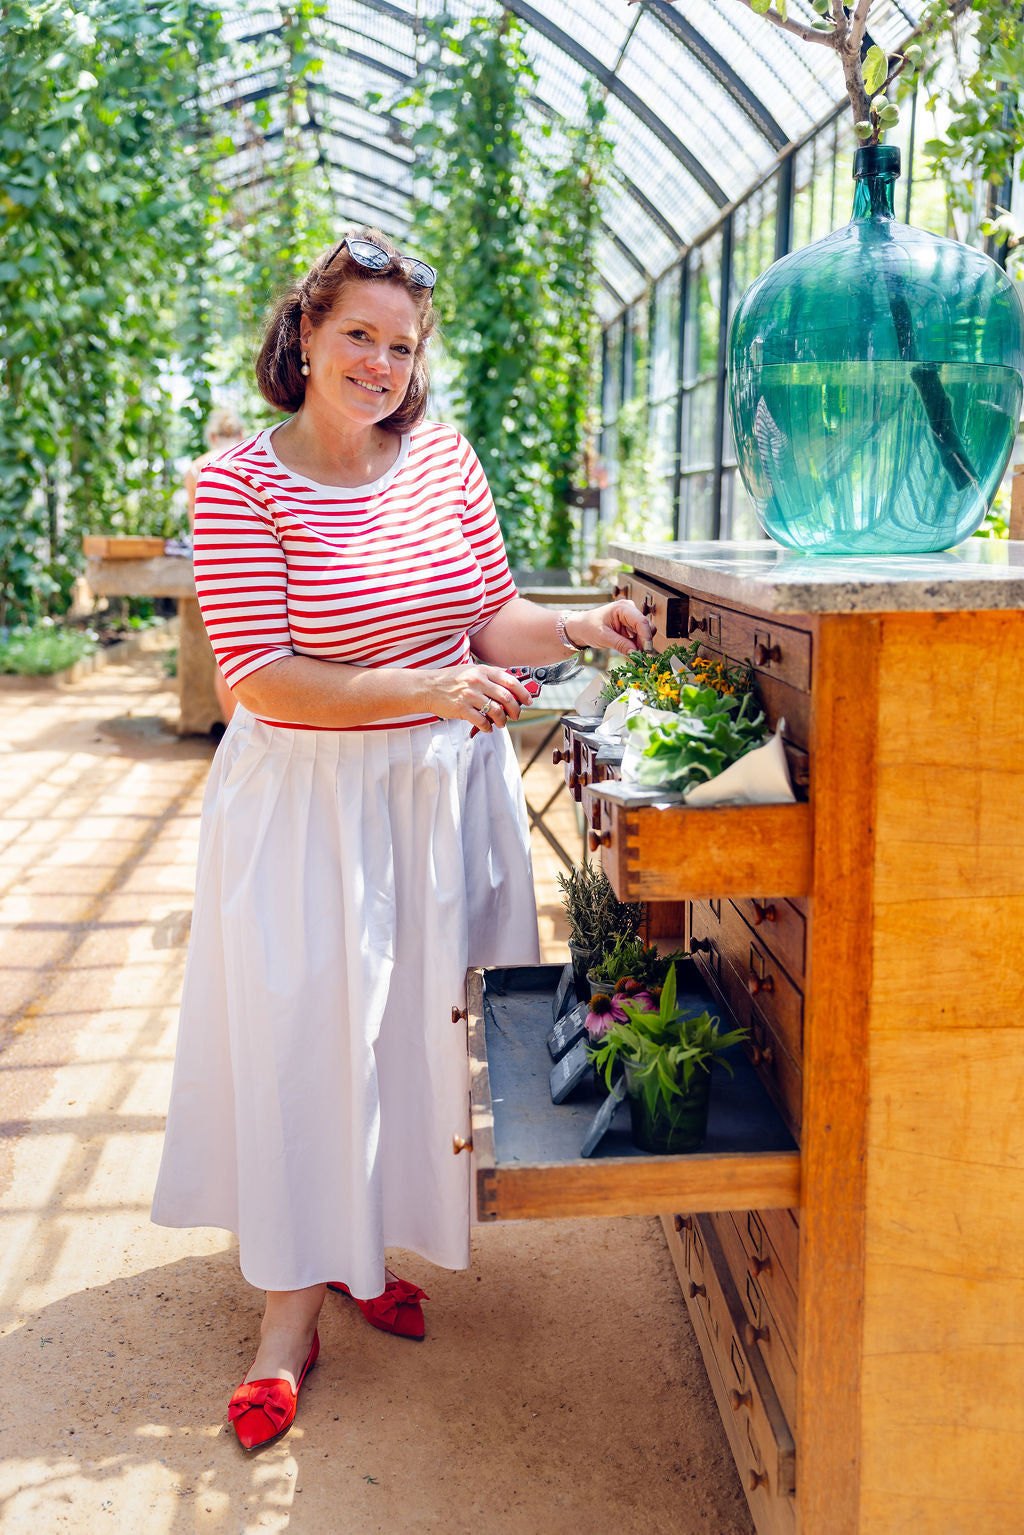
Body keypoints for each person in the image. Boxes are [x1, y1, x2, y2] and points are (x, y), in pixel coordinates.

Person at [150, 227, 653, 1451]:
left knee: (412, 1029)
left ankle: (364, 1253)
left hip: (432, 799)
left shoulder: (441, 458)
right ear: (306, 335)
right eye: (359, 335)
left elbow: (491, 616)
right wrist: (430, 689)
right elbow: (260, 679)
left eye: (402, 345)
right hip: (306, 804)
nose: (380, 363)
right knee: (303, 1035)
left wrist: (583, 626)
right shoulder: (238, 481)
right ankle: (286, 1313)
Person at [184, 406, 247, 727]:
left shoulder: (197, 468)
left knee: (226, 656)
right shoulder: (246, 459)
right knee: (250, 654)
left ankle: (231, 733)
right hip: (251, 562)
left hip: (214, 564)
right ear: (240, 434)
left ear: (211, 435)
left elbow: (197, 526)